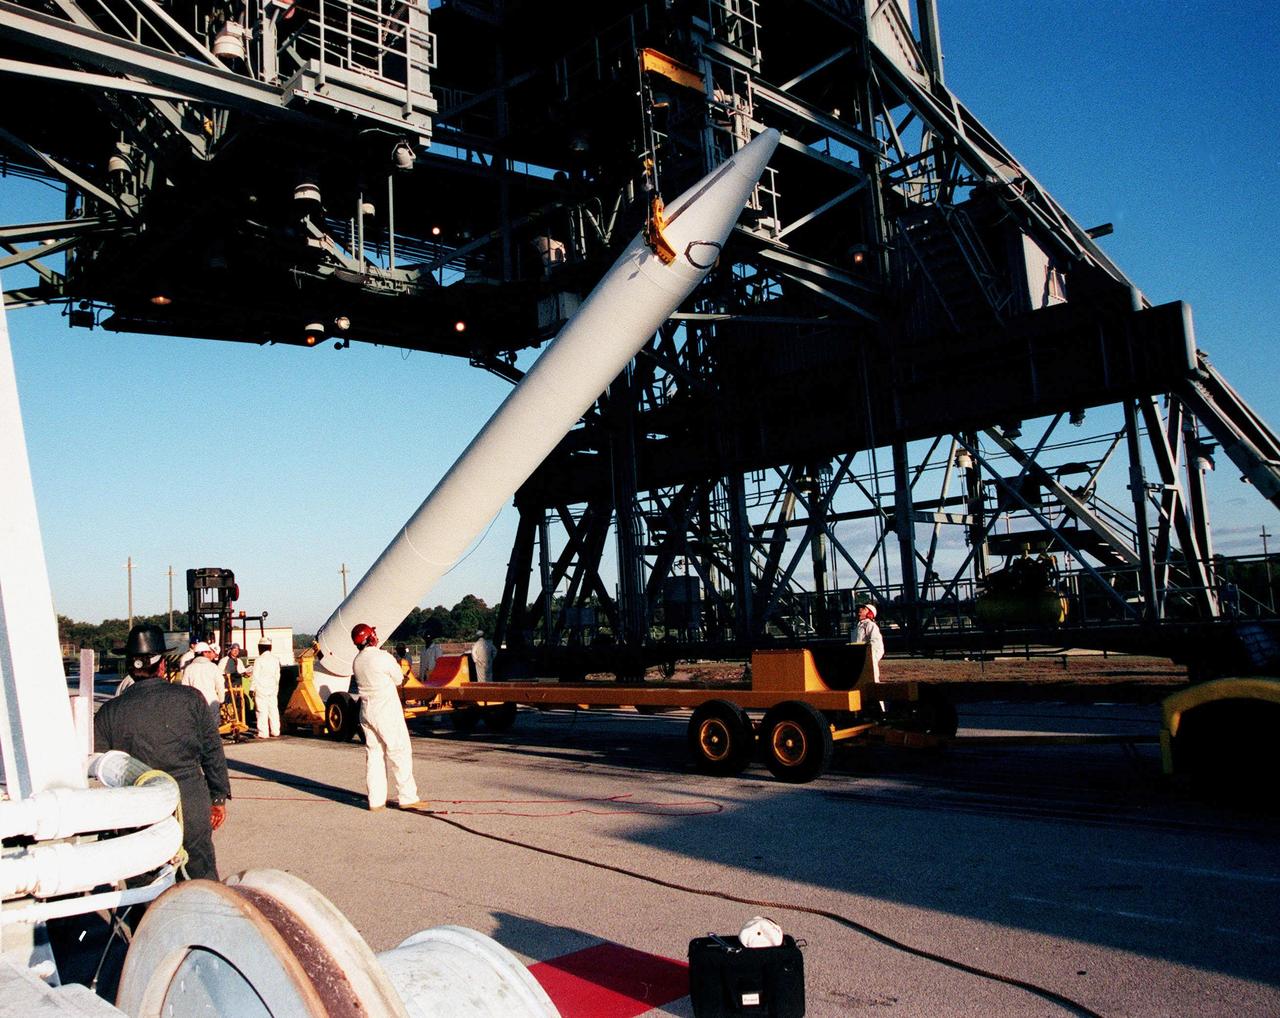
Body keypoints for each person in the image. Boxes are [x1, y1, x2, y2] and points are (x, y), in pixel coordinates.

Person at [95, 623, 230, 881]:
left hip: (138, 812)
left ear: (130, 668)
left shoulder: (109, 712)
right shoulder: (191, 699)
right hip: (189, 806)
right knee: (201, 880)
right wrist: (218, 798)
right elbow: (213, 752)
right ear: (162, 665)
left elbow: (100, 767)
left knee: (143, 886)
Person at [350, 623, 422, 811]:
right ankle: (407, 797)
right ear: (370, 638)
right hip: (385, 711)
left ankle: (376, 801)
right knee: (399, 751)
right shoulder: (382, 657)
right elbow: (398, 679)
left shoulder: (357, 661)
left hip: (366, 711)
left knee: (374, 754)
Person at [181, 641, 225, 728]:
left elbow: (185, 687)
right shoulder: (213, 667)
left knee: (198, 727)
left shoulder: (189, 668)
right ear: (204, 653)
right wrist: (221, 700)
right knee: (212, 728)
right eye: (208, 652)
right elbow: (220, 685)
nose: (210, 654)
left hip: (195, 703)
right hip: (211, 701)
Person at [253, 637, 283, 738]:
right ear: (270, 647)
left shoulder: (259, 660)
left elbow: (255, 676)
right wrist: (276, 687)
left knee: (262, 711)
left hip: (261, 689)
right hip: (273, 689)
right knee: (273, 710)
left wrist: (252, 689)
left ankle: (263, 733)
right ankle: (275, 731)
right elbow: (277, 676)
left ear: (260, 647)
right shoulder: (275, 660)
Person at [850, 602, 885, 682]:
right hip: (857, 659)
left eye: (864, 609)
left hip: (867, 660)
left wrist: (870, 658)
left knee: (871, 682)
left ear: (870, 613)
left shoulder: (870, 625)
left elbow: (877, 645)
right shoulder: (857, 627)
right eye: (860, 608)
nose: (860, 610)